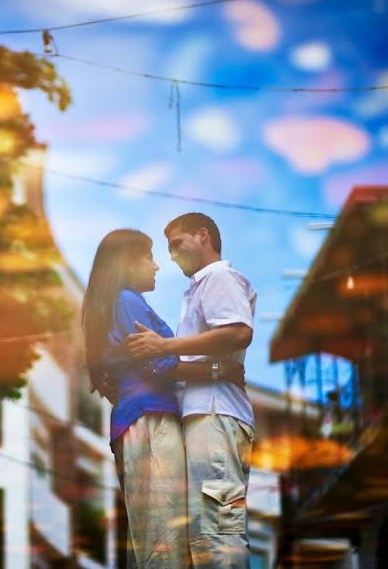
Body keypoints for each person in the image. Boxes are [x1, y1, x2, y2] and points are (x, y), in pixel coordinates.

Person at [126, 212, 257, 569]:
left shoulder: (219, 276)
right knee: (206, 533)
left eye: (176, 244)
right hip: (208, 416)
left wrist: (163, 348)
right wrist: (219, 369)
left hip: (216, 417)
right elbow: (215, 365)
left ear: (203, 236)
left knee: (217, 534)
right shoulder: (200, 287)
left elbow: (238, 332)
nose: (170, 255)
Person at [82, 228, 204, 568]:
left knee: (150, 534)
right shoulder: (127, 301)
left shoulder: (114, 304)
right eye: (148, 257)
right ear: (127, 263)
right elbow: (158, 363)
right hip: (152, 420)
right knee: (166, 532)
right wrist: (214, 372)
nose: (156, 266)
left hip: (136, 421)